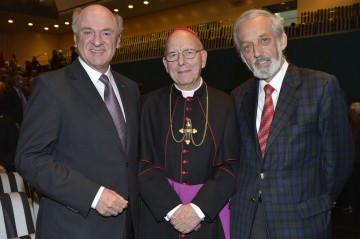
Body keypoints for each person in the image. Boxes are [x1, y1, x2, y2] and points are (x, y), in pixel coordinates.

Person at [15, 4, 139, 238]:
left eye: (106, 32)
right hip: (74, 228)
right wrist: (93, 195)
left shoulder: (129, 89)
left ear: (118, 40)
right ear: (75, 37)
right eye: (87, 31)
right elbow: (29, 158)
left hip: (125, 228)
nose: (97, 40)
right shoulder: (51, 87)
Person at [230, 9, 354, 239]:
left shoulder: (321, 87)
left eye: (264, 40)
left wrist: (317, 202)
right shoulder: (238, 97)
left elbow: (340, 161)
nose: (256, 52)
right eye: (247, 47)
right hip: (247, 220)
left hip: (301, 222)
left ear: (282, 40)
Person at [138, 27, 239, 239]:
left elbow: (231, 164)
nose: (181, 61)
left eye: (189, 53)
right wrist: (173, 210)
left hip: (209, 215)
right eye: (173, 55)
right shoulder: (148, 104)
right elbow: (142, 163)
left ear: (203, 58)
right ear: (165, 65)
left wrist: (199, 209)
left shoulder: (227, 103)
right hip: (160, 216)